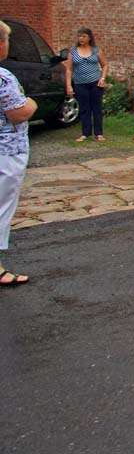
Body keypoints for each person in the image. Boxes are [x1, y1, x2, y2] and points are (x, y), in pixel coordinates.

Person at [0, 20, 37, 286]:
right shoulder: (3, 77)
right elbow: (17, 113)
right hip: (6, 150)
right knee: (2, 207)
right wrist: (31, 103)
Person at [64, 28, 109, 142]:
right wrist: (68, 85)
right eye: (79, 36)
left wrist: (102, 78)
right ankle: (85, 133)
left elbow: (105, 65)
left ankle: (99, 133)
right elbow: (69, 69)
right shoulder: (73, 52)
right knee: (84, 108)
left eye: (84, 36)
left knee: (96, 108)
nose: (81, 38)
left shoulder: (96, 50)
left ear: (89, 38)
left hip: (95, 83)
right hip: (80, 83)